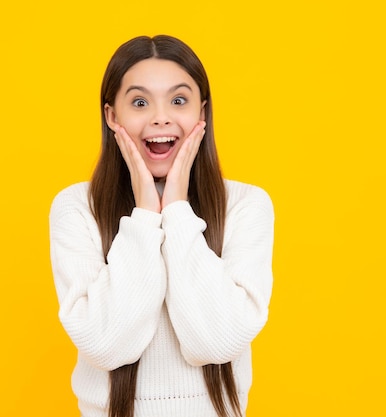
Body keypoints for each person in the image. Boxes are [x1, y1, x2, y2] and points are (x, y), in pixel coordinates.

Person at [49, 35, 274, 417]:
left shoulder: (246, 206)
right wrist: (145, 217)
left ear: (202, 113)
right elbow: (107, 345)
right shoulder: (75, 208)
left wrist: (177, 211)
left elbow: (216, 341)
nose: (160, 117)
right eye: (139, 102)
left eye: (179, 100)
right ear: (112, 116)